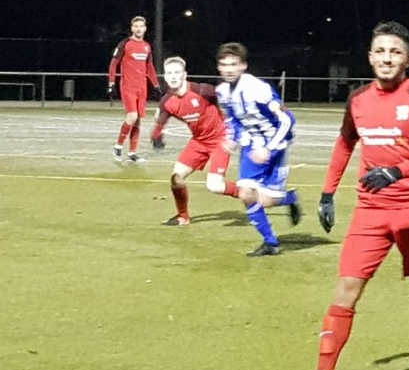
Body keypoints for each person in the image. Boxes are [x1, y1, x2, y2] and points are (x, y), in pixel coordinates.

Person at [283, 21, 409, 370]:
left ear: (408, 59)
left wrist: (398, 171)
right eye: (380, 51)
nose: (387, 58)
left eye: (395, 52)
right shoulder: (358, 100)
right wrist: (328, 193)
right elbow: (344, 144)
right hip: (370, 211)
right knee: (346, 289)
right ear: (370, 57)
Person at [214, 42, 301, 257]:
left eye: (234, 64)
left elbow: (287, 120)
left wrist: (268, 149)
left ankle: (290, 198)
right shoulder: (222, 91)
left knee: (266, 201)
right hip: (251, 144)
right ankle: (271, 243)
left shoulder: (257, 89)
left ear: (243, 65)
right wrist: (231, 138)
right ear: (218, 67)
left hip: (276, 144)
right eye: (224, 65)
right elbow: (233, 119)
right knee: (246, 194)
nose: (229, 69)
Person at [149, 56, 242, 226]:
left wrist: (232, 126)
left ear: (184, 74)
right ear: (165, 76)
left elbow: (228, 98)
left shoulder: (201, 90)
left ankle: (251, 194)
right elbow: (161, 119)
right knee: (176, 178)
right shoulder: (167, 101)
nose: (173, 76)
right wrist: (156, 134)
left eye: (177, 72)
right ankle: (182, 217)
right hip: (199, 142)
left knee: (215, 186)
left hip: (220, 140)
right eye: (169, 73)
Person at [107, 15, 161, 163]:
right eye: (136, 26)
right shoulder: (125, 44)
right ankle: (118, 146)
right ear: (132, 28)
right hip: (128, 86)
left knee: (137, 120)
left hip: (141, 87)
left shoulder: (147, 46)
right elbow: (113, 63)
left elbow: (149, 67)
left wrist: (156, 85)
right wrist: (111, 83)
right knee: (132, 116)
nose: (138, 29)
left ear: (145, 28)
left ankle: (132, 153)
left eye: (141, 26)